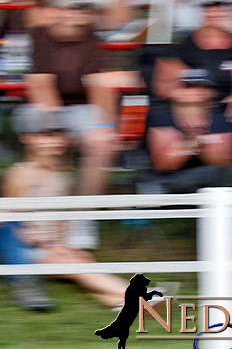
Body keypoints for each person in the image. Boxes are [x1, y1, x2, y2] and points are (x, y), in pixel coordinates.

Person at [2, 105, 174, 308]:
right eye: (45, 135)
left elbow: (60, 218)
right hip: (25, 252)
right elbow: (9, 220)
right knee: (74, 265)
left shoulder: (63, 175)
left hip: (50, 247)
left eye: (58, 135)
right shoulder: (20, 174)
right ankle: (138, 295)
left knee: (82, 261)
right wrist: (43, 246)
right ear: (27, 138)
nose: (54, 142)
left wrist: (60, 245)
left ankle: (118, 301)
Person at [26, 0, 120, 248]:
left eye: (82, 8)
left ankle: (82, 218)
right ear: (55, 11)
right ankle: (43, 220)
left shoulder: (91, 36)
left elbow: (100, 84)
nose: (77, 14)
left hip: (81, 107)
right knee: (49, 140)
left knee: (101, 142)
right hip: (42, 105)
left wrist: (105, 126)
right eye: (72, 8)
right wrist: (58, 127)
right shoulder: (38, 35)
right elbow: (40, 85)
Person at [142, 68, 232, 193]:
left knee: (215, 173)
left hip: (209, 185)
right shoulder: (161, 117)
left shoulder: (220, 118)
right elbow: (163, 163)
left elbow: (221, 160)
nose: (194, 92)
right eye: (188, 86)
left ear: (211, 92)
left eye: (201, 87)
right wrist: (198, 141)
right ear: (175, 91)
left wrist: (184, 145)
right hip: (166, 182)